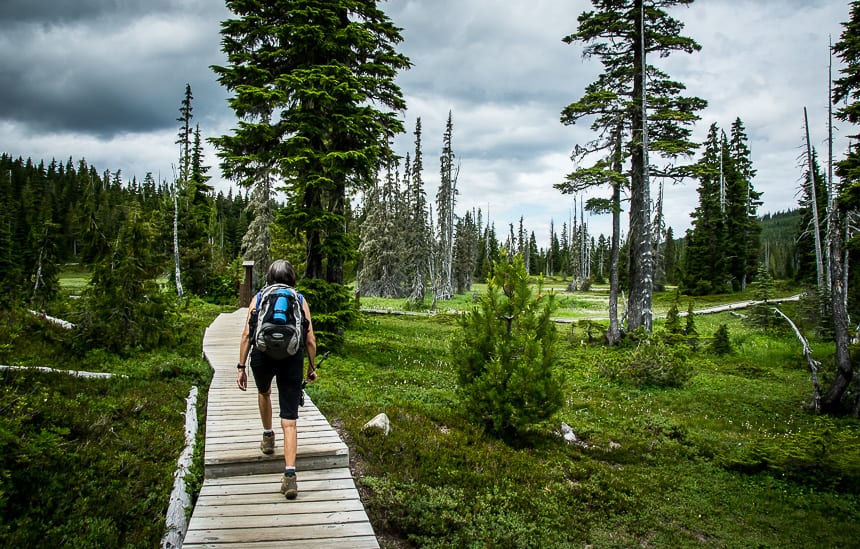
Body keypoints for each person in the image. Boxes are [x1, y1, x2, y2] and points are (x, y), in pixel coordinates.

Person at [237, 259, 317, 500]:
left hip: (262, 355)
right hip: (292, 357)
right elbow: (310, 339)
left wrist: (241, 367)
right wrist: (311, 368)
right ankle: (290, 476)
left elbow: (247, 334)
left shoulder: (260, 297)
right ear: (292, 277)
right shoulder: (299, 299)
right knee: (290, 421)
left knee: (264, 392)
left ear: (270, 277)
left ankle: (268, 436)